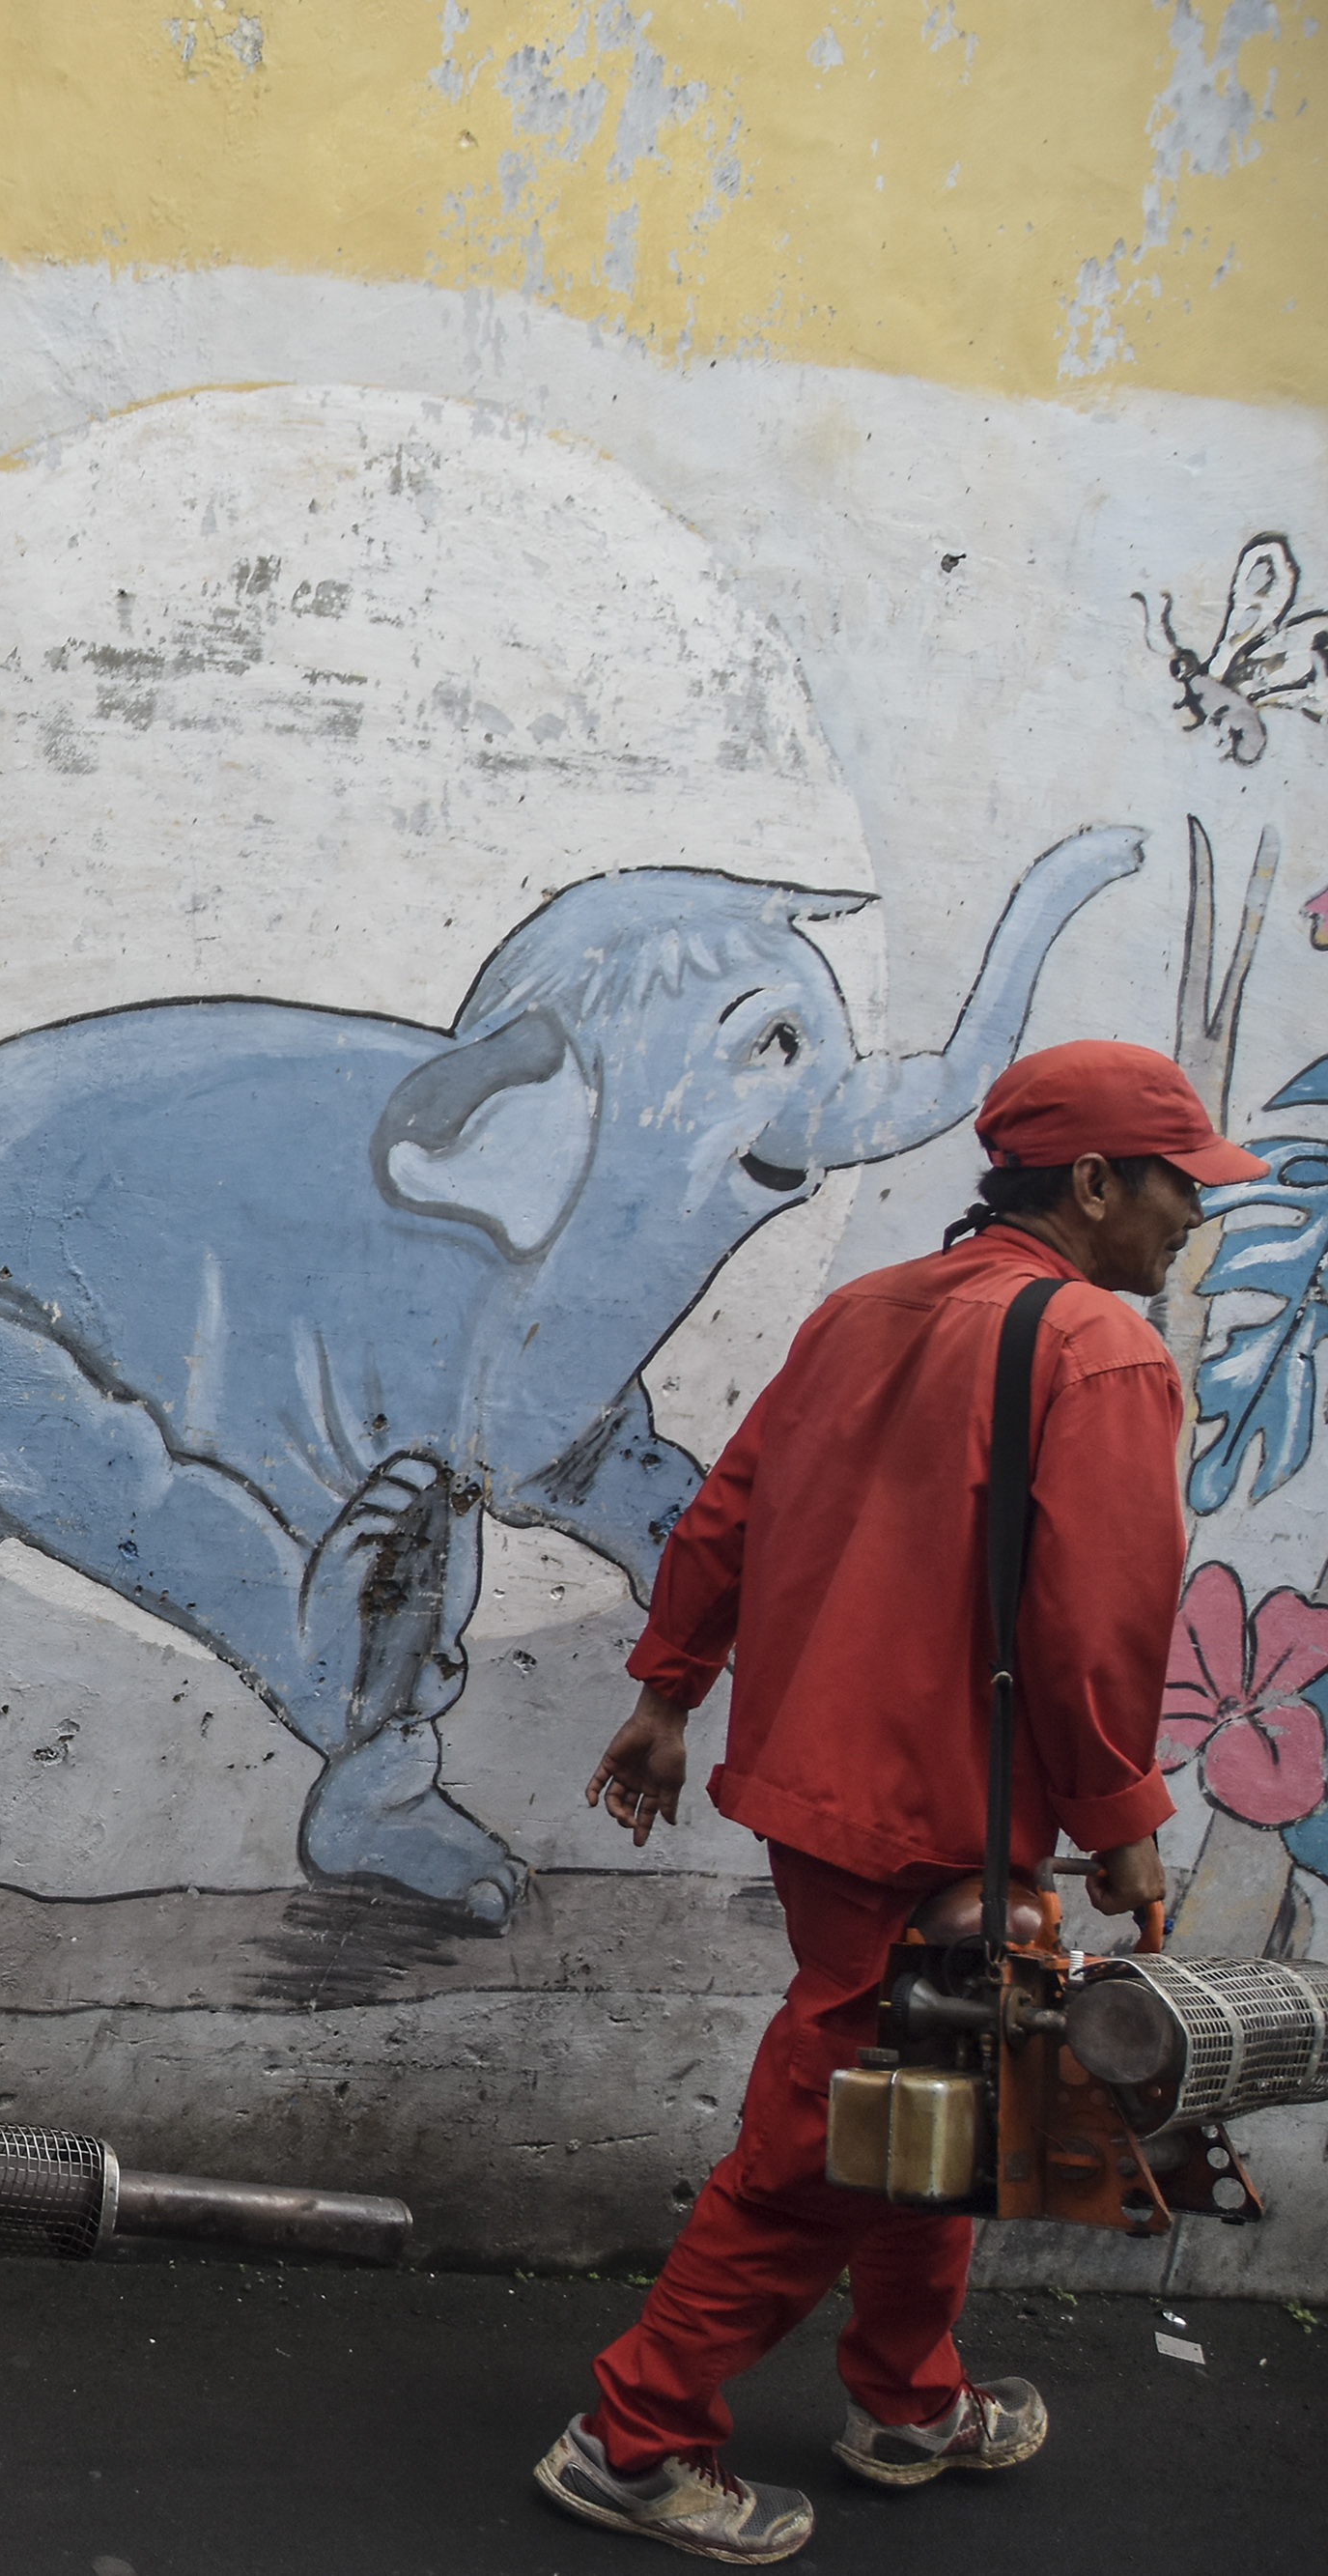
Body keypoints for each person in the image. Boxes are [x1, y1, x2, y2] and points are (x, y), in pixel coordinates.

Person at [528, 1038, 1244, 2563]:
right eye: (1184, 1186)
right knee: (825, 2133)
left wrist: (669, 1694)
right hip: (948, 1816)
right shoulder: (1098, 1351)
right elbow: (1095, 1623)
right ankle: (633, 2440)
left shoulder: (864, 1311)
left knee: (950, 2080)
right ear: (1098, 1181)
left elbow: (728, 1503)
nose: (1198, 1216)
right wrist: (1124, 1823)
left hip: (823, 1788)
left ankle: (910, 2401)